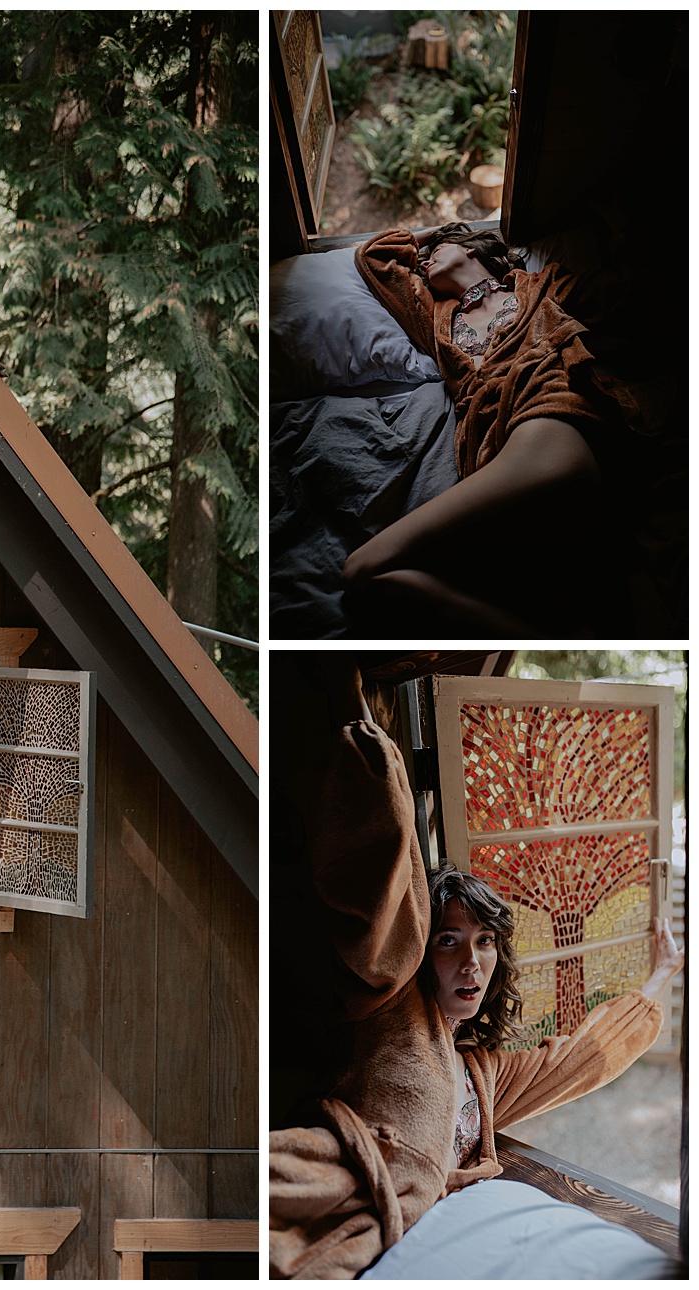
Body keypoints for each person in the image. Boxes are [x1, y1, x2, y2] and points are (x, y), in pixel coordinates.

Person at [268, 661, 684, 1279]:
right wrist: (354, 717)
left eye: (486, 941)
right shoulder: (391, 1009)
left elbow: (580, 1058)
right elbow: (381, 890)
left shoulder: (485, 1074)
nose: (471, 961)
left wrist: (659, 980)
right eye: (448, 941)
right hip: (338, 1193)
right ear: (420, 949)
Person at [341, 222, 619, 632]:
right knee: (367, 577)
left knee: (360, 565)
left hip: (549, 422)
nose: (423, 257)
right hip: (489, 451)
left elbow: (629, 296)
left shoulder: (543, 286)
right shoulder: (435, 317)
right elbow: (374, 257)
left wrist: (467, 233)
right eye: (424, 253)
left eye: (439, 248)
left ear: (472, 250)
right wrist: (439, 234)